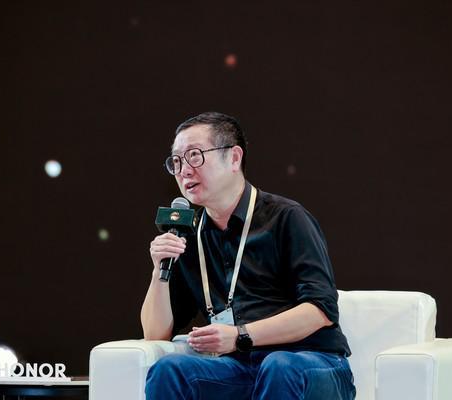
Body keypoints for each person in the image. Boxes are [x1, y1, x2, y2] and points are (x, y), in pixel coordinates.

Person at [141, 111, 356, 400]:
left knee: (278, 366)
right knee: (170, 370)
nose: (184, 171)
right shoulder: (188, 236)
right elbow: (155, 334)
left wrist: (240, 335)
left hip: (311, 362)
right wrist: (159, 271)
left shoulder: (286, 218)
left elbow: (320, 310)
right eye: (176, 161)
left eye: (194, 156)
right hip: (240, 368)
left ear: (233, 158)